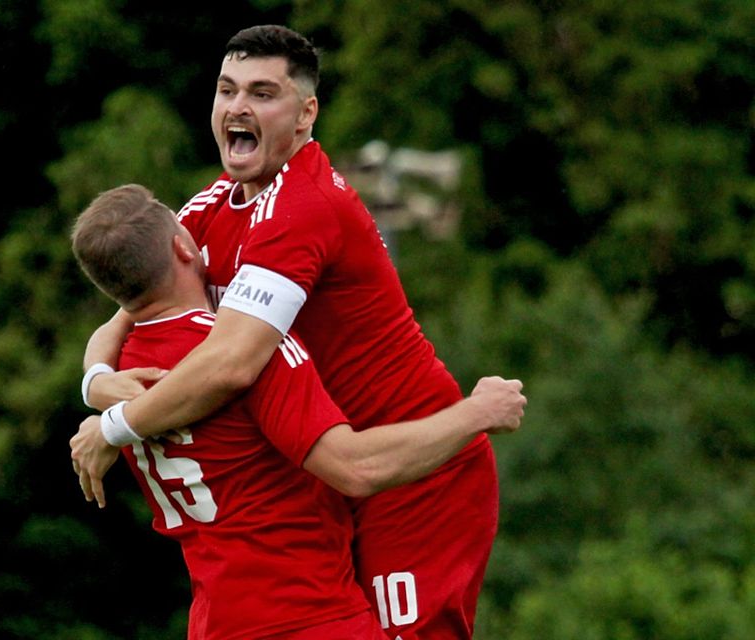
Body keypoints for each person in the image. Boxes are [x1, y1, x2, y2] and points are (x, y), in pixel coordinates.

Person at [80, 25, 515, 639]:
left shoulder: (301, 208)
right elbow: (122, 316)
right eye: (227, 90)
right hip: (337, 474)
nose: (238, 107)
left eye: (262, 94)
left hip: (414, 469)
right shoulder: (209, 208)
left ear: (306, 113)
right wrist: (97, 385)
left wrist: (116, 425)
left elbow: (231, 364)